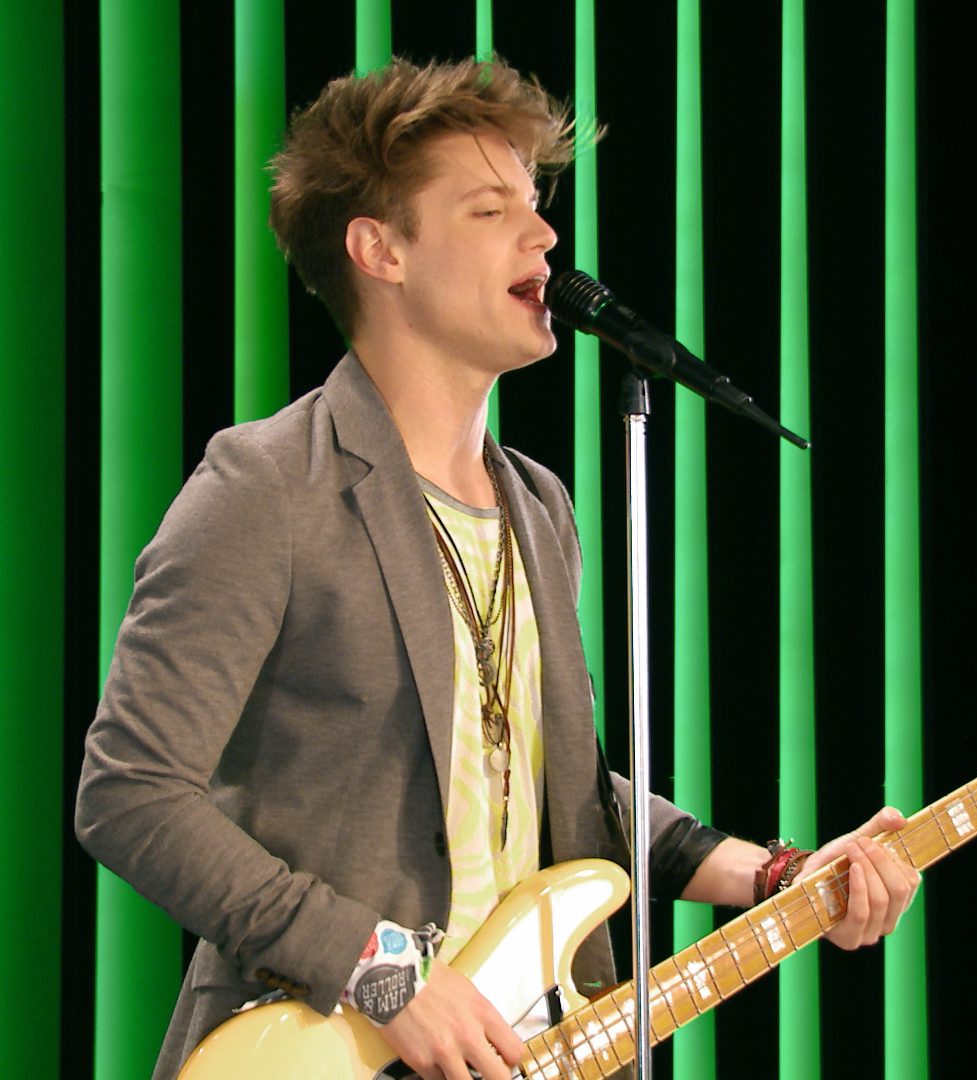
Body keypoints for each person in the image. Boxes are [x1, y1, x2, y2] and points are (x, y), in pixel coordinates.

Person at [76, 57, 920, 1080]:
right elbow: (130, 792)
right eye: (490, 210)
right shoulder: (267, 487)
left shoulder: (538, 505)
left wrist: (780, 875)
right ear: (380, 250)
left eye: (535, 204)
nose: (545, 237)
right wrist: (381, 972)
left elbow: (550, 785)